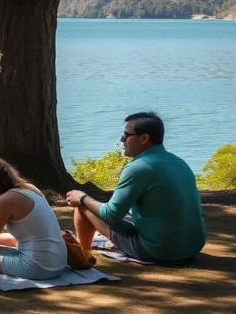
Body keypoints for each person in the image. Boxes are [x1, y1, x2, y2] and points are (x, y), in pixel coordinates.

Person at [66, 112, 206, 264]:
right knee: (107, 209)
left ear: (144, 138)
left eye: (127, 135)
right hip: (191, 249)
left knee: (82, 206)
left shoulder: (138, 168)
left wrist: (81, 197)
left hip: (158, 252)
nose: (122, 140)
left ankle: (83, 256)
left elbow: (111, 214)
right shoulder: (179, 162)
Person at [0, 156, 67, 280]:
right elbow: (14, 238)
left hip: (38, 267)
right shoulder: (29, 188)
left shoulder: (5, 200)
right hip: (58, 263)